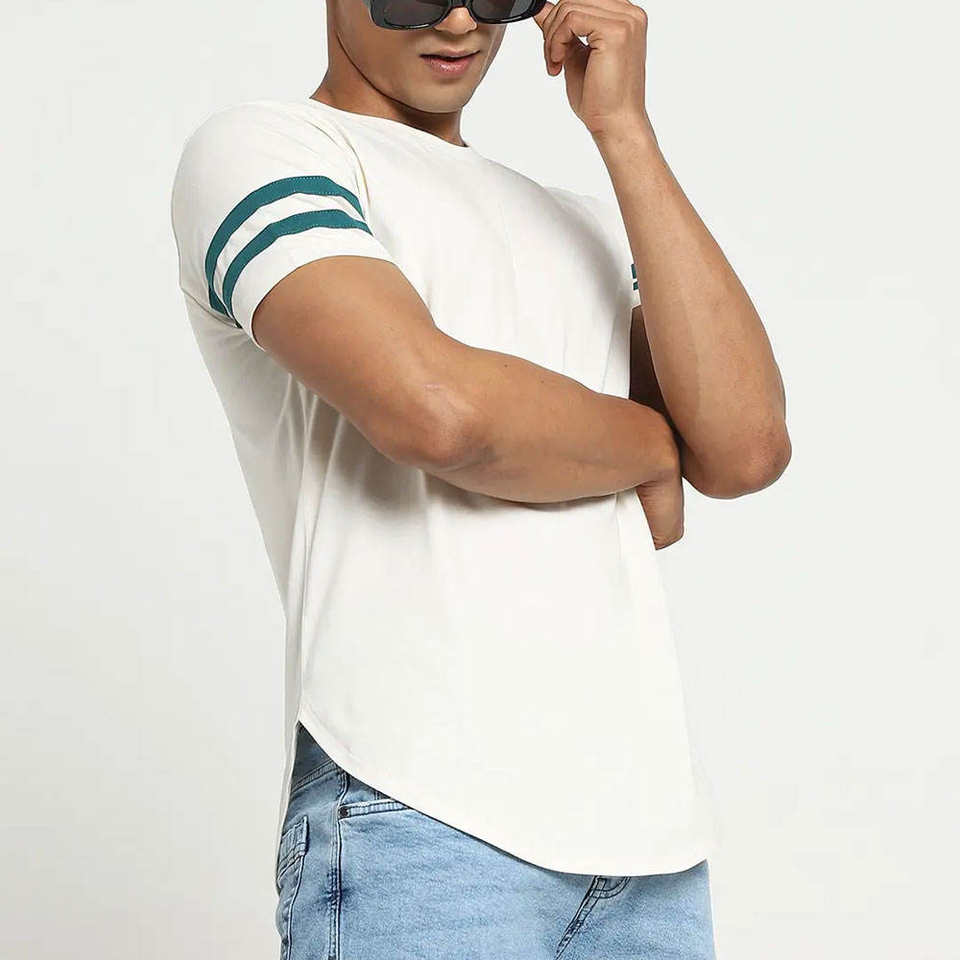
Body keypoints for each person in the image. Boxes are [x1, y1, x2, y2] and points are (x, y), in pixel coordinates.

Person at [169, 0, 790, 954]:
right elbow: (437, 412)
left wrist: (623, 130)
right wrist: (657, 445)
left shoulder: (579, 220)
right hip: (420, 812)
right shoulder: (269, 150)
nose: (460, 20)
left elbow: (745, 446)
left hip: (651, 848)